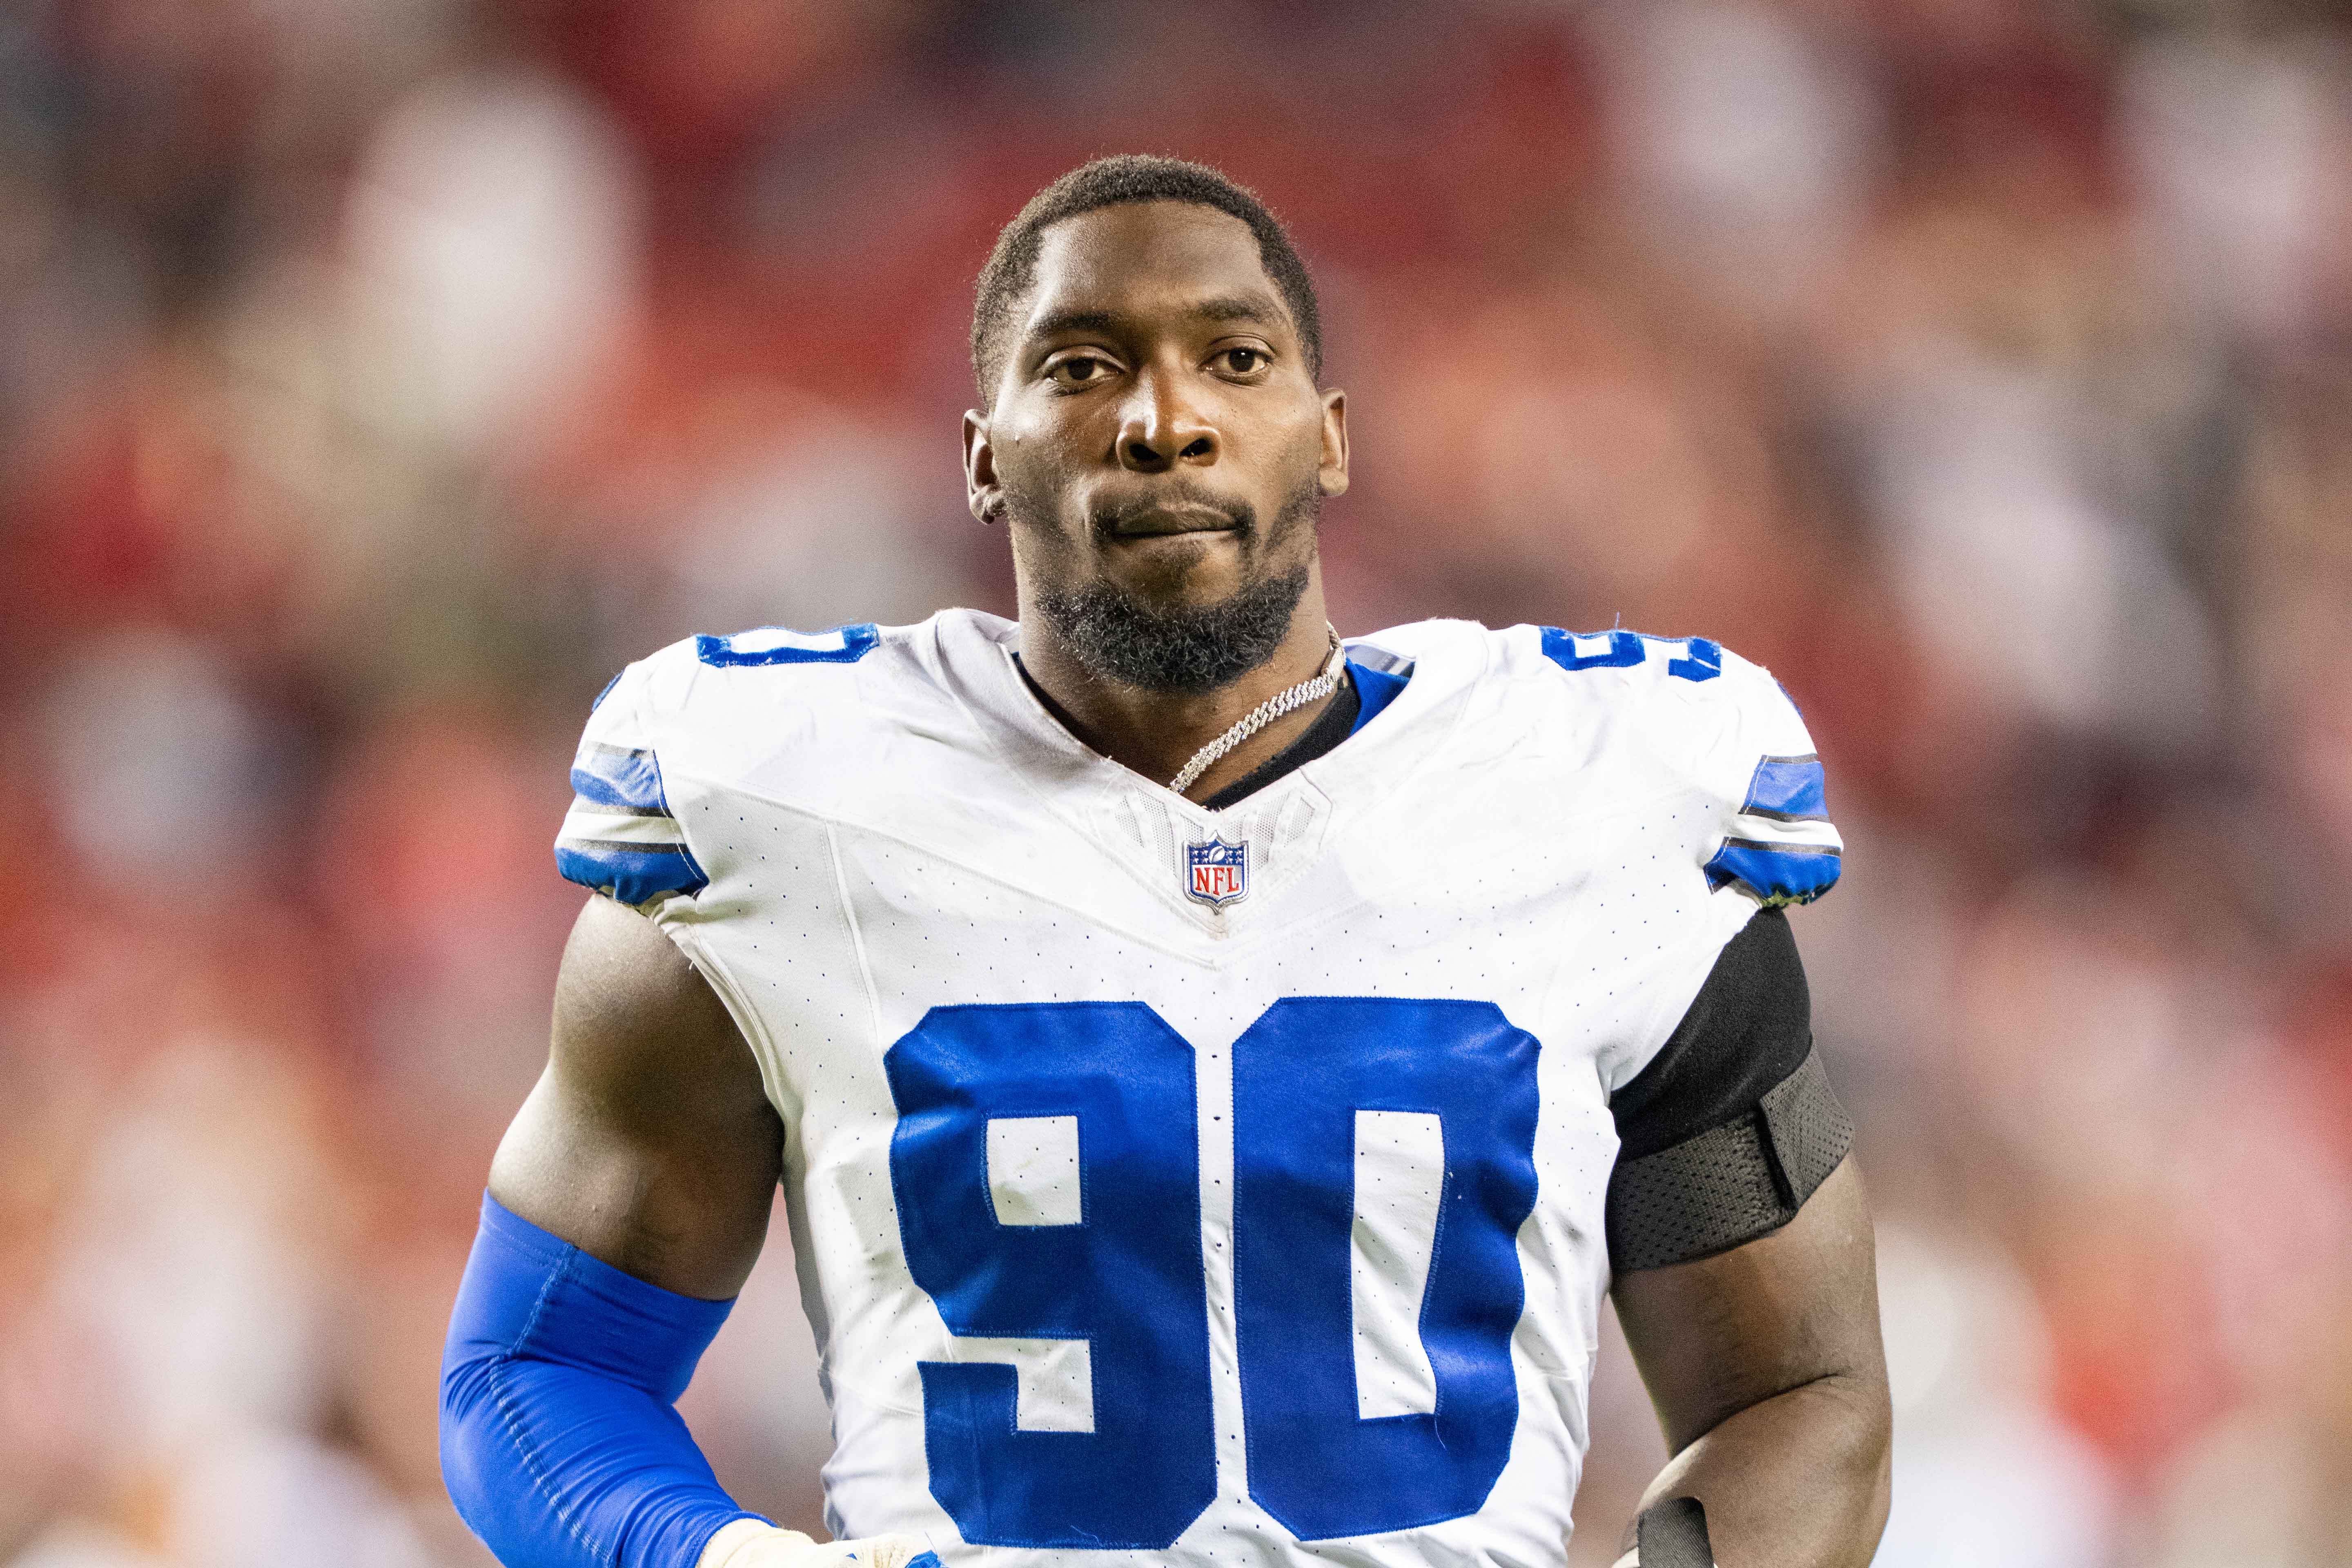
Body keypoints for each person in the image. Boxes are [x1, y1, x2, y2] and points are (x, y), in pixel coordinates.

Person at [441, 155, 1890, 1568]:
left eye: (1236, 360)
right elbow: (531, 1365)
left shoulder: (1598, 790)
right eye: (1080, 366)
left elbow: (1799, 1393)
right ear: (980, 454)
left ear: (1327, 434)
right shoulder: (787, 802)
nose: (1164, 419)